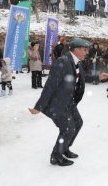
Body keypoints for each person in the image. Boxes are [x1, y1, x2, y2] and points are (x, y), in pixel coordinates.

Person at [28, 38, 91, 166]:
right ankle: (56, 156)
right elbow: (50, 86)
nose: (87, 52)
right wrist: (39, 107)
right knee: (68, 128)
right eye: (84, 50)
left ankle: (65, 148)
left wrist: (98, 76)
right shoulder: (63, 62)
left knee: (78, 123)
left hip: (68, 101)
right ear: (76, 49)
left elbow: (83, 77)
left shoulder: (76, 62)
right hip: (57, 102)